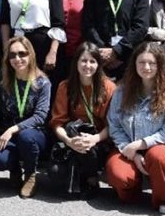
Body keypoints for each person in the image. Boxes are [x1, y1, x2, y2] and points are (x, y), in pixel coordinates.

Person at [106, 42, 165, 215]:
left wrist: (141, 144)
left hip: (159, 148)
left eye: (152, 63)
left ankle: (163, 198)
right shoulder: (122, 91)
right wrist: (131, 151)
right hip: (129, 149)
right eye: (142, 62)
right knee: (117, 173)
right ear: (135, 65)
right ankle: (133, 193)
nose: (146, 67)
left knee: (158, 156)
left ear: (160, 65)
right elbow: (114, 125)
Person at [48, 42, 115, 198]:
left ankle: (91, 178)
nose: (87, 65)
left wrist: (95, 138)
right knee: (55, 174)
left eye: (92, 61)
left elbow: (113, 125)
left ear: (99, 64)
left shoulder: (109, 88)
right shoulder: (65, 86)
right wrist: (68, 140)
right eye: (83, 61)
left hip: (99, 140)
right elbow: (57, 122)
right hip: (72, 137)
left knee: (88, 151)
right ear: (76, 63)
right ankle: (78, 172)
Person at [0, 36, 50, 198]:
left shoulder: (43, 83)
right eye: (13, 55)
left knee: (26, 136)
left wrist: (12, 129)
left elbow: (40, 116)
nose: (17, 59)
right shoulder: (3, 77)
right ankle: (15, 170)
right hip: (9, 133)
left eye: (22, 54)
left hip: (34, 134)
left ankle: (30, 175)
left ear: (31, 55)